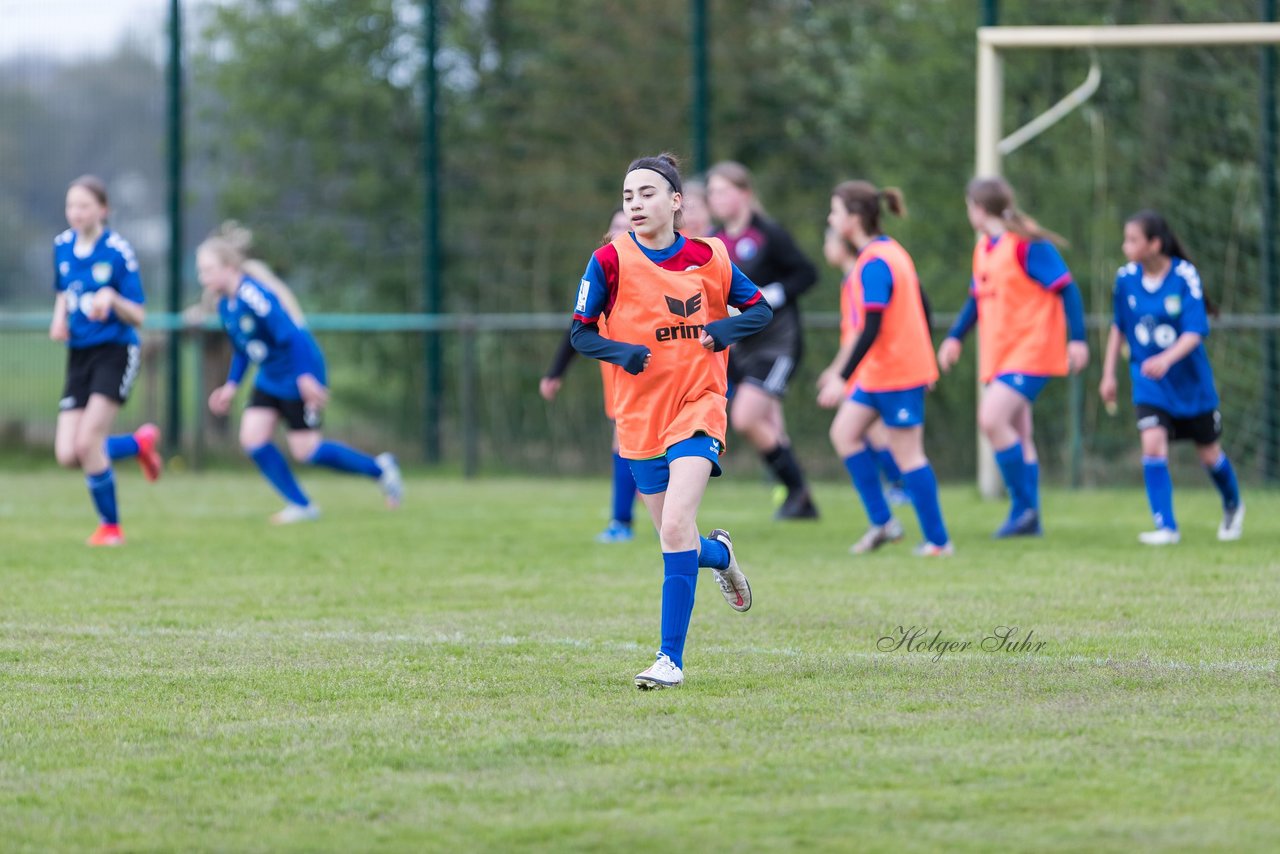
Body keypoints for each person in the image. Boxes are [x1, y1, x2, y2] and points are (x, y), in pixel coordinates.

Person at [570, 153, 773, 689]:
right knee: (676, 538)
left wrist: (725, 331)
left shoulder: (711, 255)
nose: (635, 204)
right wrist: (620, 352)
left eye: (647, 193)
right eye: (628, 195)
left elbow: (759, 309)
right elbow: (580, 333)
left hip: (699, 404)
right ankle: (722, 556)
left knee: (677, 527)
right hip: (639, 418)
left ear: (676, 201)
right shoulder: (608, 261)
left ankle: (669, 659)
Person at [196, 223, 402, 523]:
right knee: (253, 438)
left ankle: (381, 469)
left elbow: (292, 335)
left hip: (298, 370)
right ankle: (302, 505)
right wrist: (231, 385)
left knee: (307, 450)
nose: (204, 277)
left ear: (228, 267)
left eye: (208, 270)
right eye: (201, 271)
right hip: (270, 375)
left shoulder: (253, 295)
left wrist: (305, 377)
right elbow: (244, 348)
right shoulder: (226, 304)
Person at [937, 176, 1088, 537]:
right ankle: (1029, 519)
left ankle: (1023, 509)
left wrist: (1078, 339)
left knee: (991, 419)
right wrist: (955, 337)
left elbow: (1068, 289)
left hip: (1032, 350)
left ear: (978, 208)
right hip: (1002, 354)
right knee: (1020, 433)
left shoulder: (1026, 245)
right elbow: (977, 299)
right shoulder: (985, 249)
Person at [817, 181, 952, 556]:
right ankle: (883, 522)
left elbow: (872, 326)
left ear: (854, 219)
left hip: (898, 373)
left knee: (910, 456)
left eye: (836, 212)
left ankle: (939, 542)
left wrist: (841, 378)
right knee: (844, 433)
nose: (831, 218)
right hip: (880, 372)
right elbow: (922, 305)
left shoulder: (876, 262)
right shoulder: (889, 252)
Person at [1099, 211, 1243, 544]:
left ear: (1155, 243)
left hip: (1190, 383)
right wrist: (1108, 375)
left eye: (1133, 239)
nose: (1126, 246)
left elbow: (1196, 331)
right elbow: (1118, 328)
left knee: (1209, 454)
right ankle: (1166, 526)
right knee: (1152, 442)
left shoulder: (1184, 276)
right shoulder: (1125, 279)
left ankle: (1233, 505)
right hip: (1149, 381)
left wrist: (1166, 359)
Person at [50, 175, 163, 546]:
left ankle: (111, 528)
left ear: (103, 210)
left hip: (115, 351)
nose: (75, 213)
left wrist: (112, 299)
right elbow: (64, 290)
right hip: (79, 354)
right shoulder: (61, 246)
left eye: (83, 206)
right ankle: (137, 445)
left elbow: (139, 315)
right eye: (71, 205)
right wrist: (59, 318)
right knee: (68, 453)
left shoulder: (117, 251)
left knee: (88, 443)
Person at [707, 161, 820, 519]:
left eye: (723, 190)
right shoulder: (714, 240)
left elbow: (807, 274)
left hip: (778, 345)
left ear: (745, 194)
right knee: (769, 426)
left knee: (744, 418)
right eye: (712, 191)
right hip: (742, 346)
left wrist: (774, 293)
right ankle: (800, 500)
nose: (716, 198)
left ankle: (797, 490)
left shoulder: (769, 234)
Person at [540, 208, 638, 542]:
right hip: (620, 378)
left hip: (661, 373)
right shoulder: (603, 272)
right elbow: (579, 328)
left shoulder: (658, 271)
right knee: (625, 443)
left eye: (630, 225)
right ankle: (623, 521)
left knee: (642, 447)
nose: (623, 231)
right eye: (616, 225)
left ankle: (625, 520)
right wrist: (555, 373)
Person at [816, 226, 909, 507]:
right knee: (869, 429)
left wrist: (838, 371)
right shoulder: (850, 278)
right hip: (864, 364)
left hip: (868, 365)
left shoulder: (860, 275)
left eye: (829, 240)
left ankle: (899, 484)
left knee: (872, 430)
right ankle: (896, 486)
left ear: (843, 245)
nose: (826, 248)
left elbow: (860, 332)